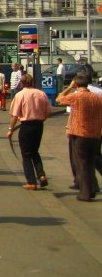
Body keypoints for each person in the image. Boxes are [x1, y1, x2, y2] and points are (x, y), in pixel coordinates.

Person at [55, 72, 102, 201]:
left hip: (80, 133)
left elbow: (58, 98)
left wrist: (69, 87)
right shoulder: (97, 97)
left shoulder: (76, 97)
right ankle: (92, 188)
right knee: (91, 162)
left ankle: (85, 193)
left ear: (76, 83)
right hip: (96, 134)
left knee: (81, 164)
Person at [6, 73, 51, 190]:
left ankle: (31, 181)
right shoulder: (41, 94)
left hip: (26, 126)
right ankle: (41, 176)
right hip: (39, 125)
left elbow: (14, 115)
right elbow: (47, 112)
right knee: (35, 152)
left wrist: (10, 129)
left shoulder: (20, 95)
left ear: (22, 83)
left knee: (26, 154)